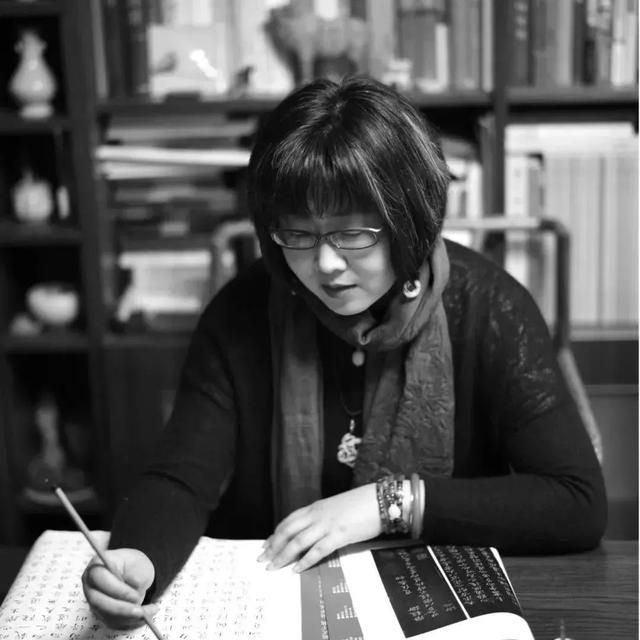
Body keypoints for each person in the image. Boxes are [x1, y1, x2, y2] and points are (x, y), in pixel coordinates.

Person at [82, 75, 607, 629]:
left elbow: (576, 502)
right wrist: (138, 560)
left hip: (436, 607)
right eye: (298, 234)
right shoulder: (243, 310)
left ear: (408, 220)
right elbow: (181, 478)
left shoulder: (490, 308)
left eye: (353, 234)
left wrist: (390, 504)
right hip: (279, 606)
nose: (326, 265)